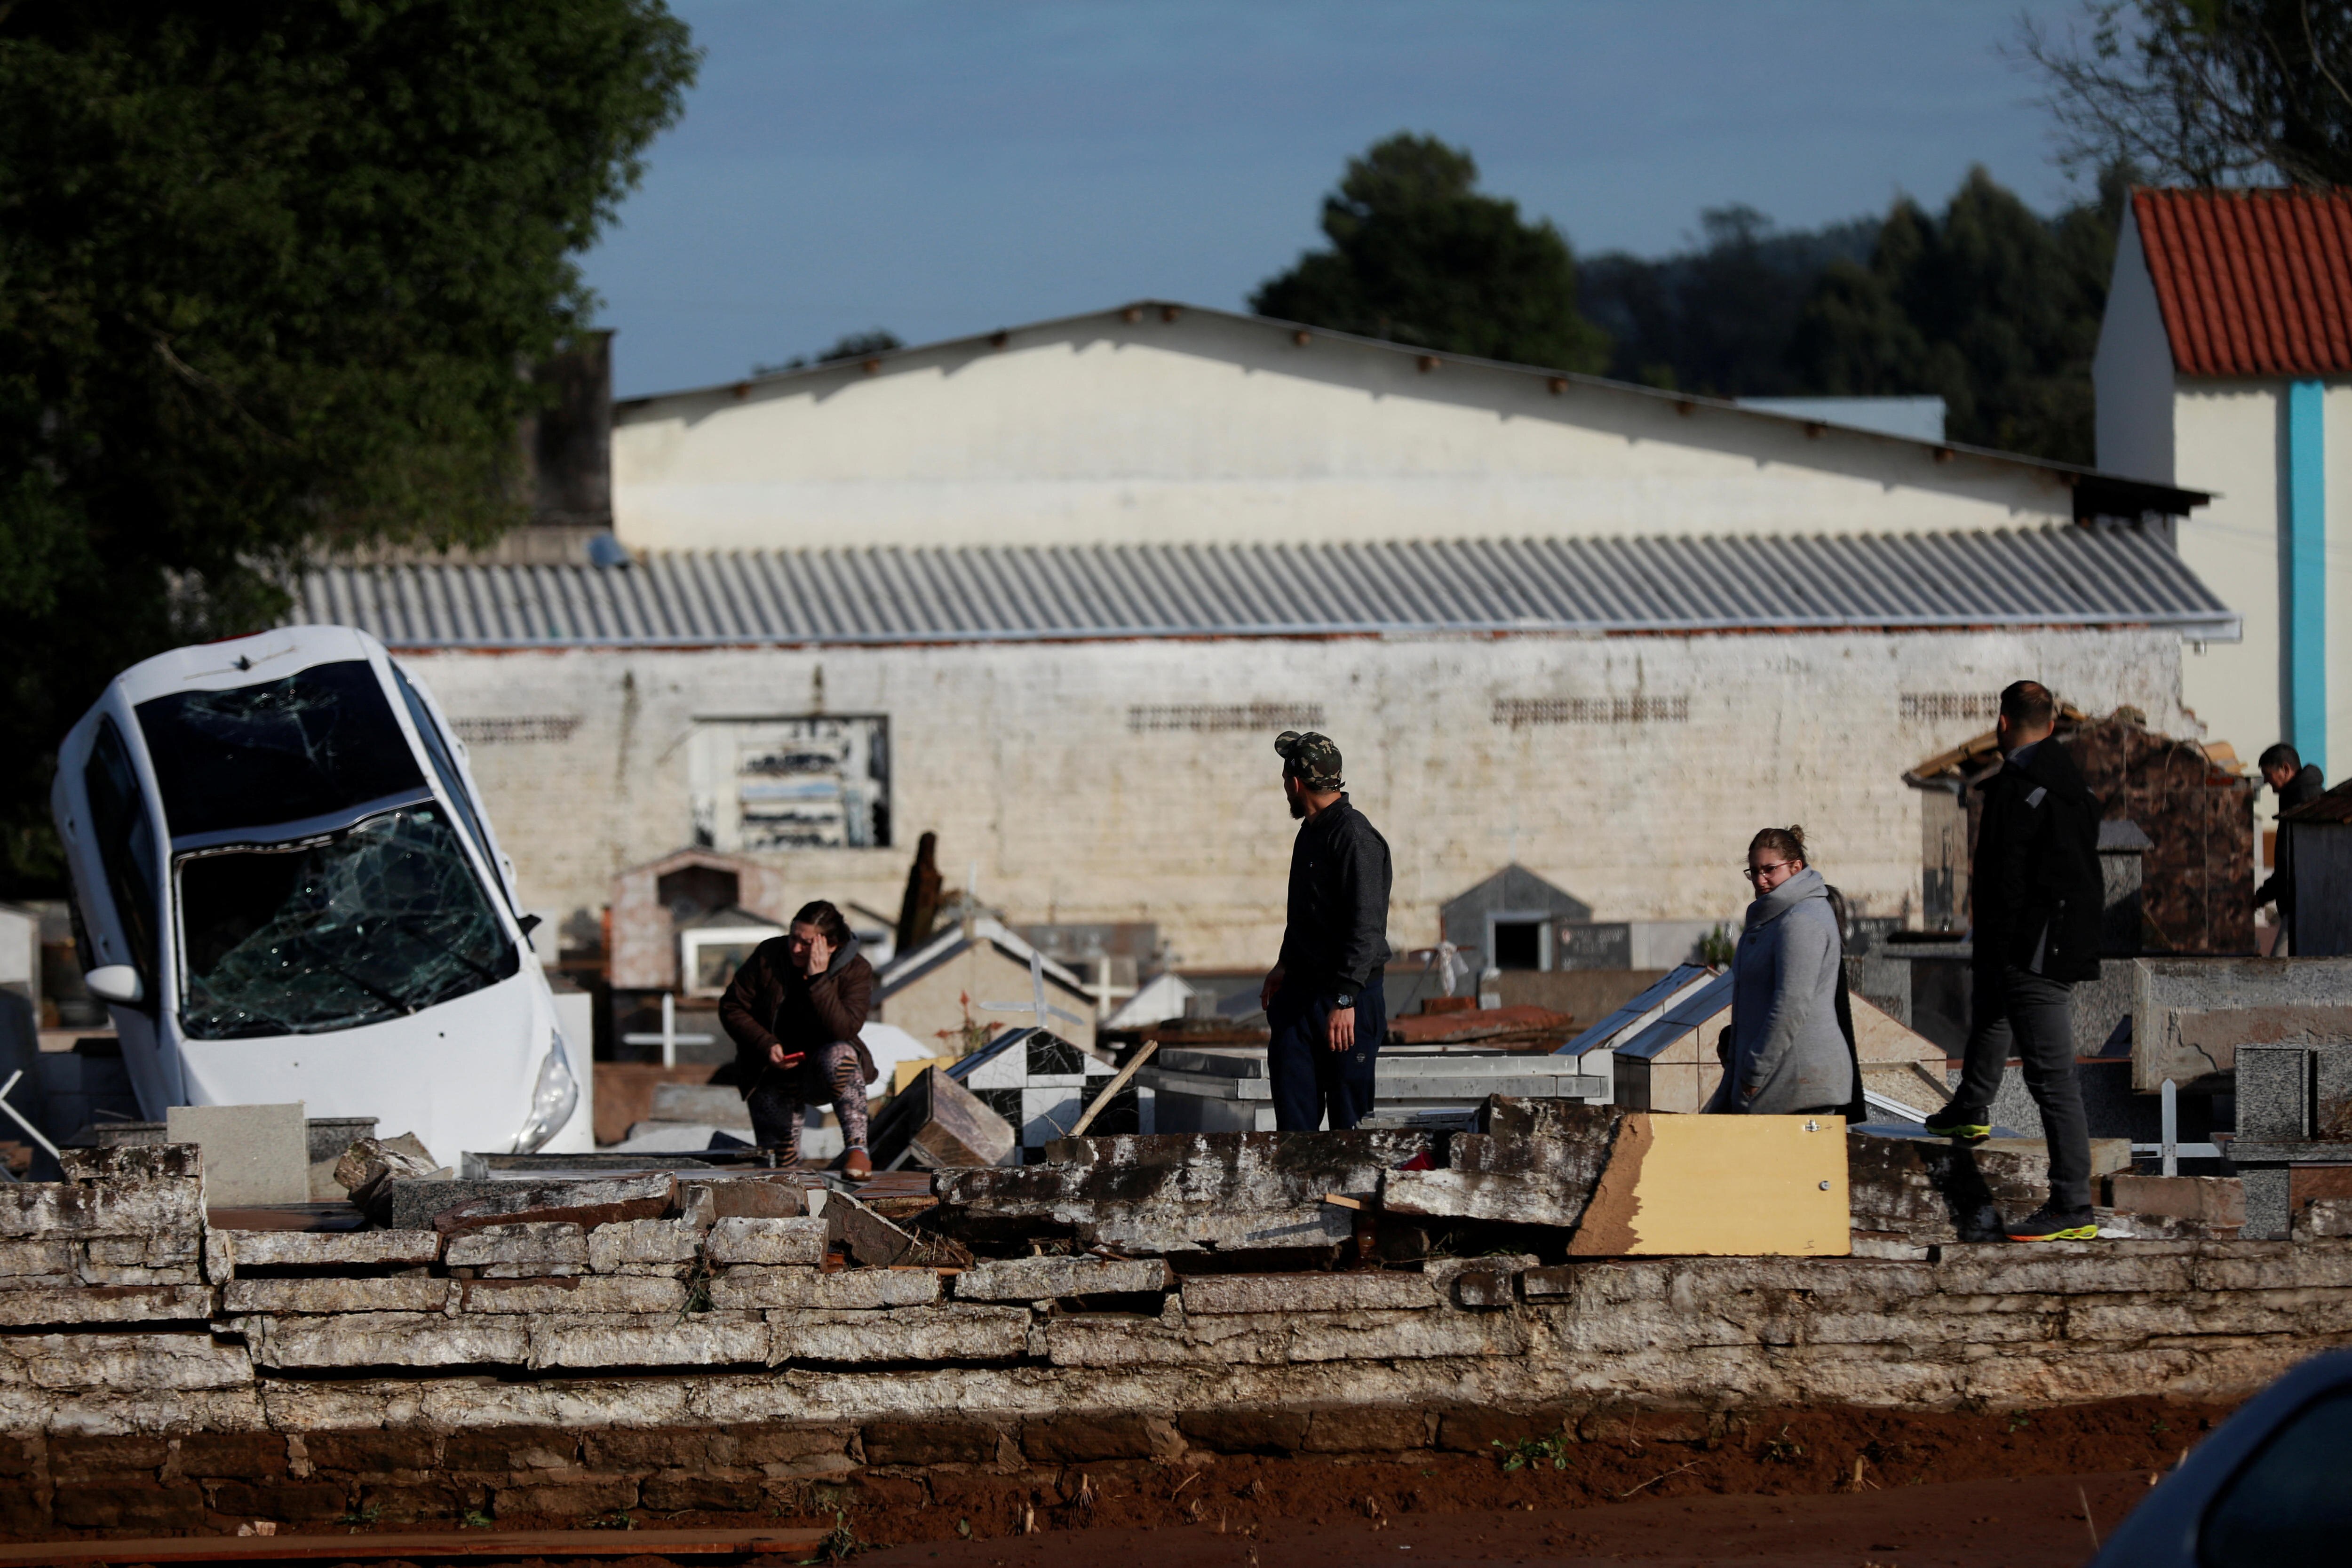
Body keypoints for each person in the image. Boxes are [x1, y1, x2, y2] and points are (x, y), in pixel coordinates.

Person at [1924, 681, 2103, 1242]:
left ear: (2002, 723)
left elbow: (2007, 880)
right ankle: (1970, 1107)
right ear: (2049, 725)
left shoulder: (2020, 786)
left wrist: (2004, 946)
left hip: (2032, 949)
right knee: (1992, 1010)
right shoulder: (2070, 784)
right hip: (2049, 942)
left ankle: (2072, 1204)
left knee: (2051, 1079)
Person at [1257, 731, 1392, 1131]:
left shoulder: (1354, 837)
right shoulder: (1311, 832)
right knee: (1294, 1129)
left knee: (1349, 1128)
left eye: (1286, 779)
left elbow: (1366, 927)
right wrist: (1285, 963)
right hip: (1302, 996)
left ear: (1297, 784)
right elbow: (1306, 911)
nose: (1285, 788)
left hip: (1347, 1001)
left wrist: (1345, 997)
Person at [719, 899, 879, 1178]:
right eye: (793, 937)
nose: (795, 948)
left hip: (821, 1068)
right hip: (770, 1071)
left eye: (806, 943)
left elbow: (844, 1029)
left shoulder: (856, 969)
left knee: (841, 1054)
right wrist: (765, 1044)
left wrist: (818, 980)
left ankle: (858, 1150)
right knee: (780, 1172)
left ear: (831, 945)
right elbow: (732, 1006)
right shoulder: (770, 954)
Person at [1708, 826, 1856, 1116]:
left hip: (1796, 1084)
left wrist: (1754, 1073)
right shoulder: (1777, 917)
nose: (1760, 880)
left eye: (1770, 870)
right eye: (1754, 871)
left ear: (1796, 868)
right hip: (1778, 1079)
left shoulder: (1801, 921)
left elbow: (1791, 1004)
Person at [2254, 742, 2326, 954]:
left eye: (2268, 774)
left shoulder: (2303, 802)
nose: (2266, 782)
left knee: (2281, 967)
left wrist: (2262, 896)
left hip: (2304, 906)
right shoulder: (2298, 798)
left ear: (2285, 769)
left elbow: (2290, 864)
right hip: (2303, 905)